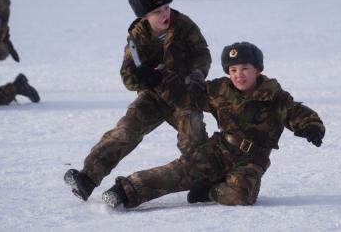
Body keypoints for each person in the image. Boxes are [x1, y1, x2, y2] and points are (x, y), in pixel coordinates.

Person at [101, 42, 325, 208]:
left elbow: (297, 112)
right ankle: (124, 191)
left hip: (251, 160)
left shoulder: (274, 95)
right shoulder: (220, 90)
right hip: (218, 150)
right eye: (233, 70)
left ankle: (208, 191)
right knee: (176, 173)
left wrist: (312, 126)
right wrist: (161, 79)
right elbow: (187, 95)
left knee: (240, 197)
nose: (239, 75)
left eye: (245, 68)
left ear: (257, 70)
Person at [64, 0, 212, 201]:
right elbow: (127, 76)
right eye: (157, 12)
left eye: (166, 7)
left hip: (184, 94)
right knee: (126, 131)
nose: (165, 14)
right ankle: (87, 178)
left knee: (193, 137)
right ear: (144, 17)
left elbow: (202, 55)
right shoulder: (136, 38)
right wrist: (143, 78)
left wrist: (196, 76)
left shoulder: (184, 25)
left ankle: (204, 184)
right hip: (153, 96)